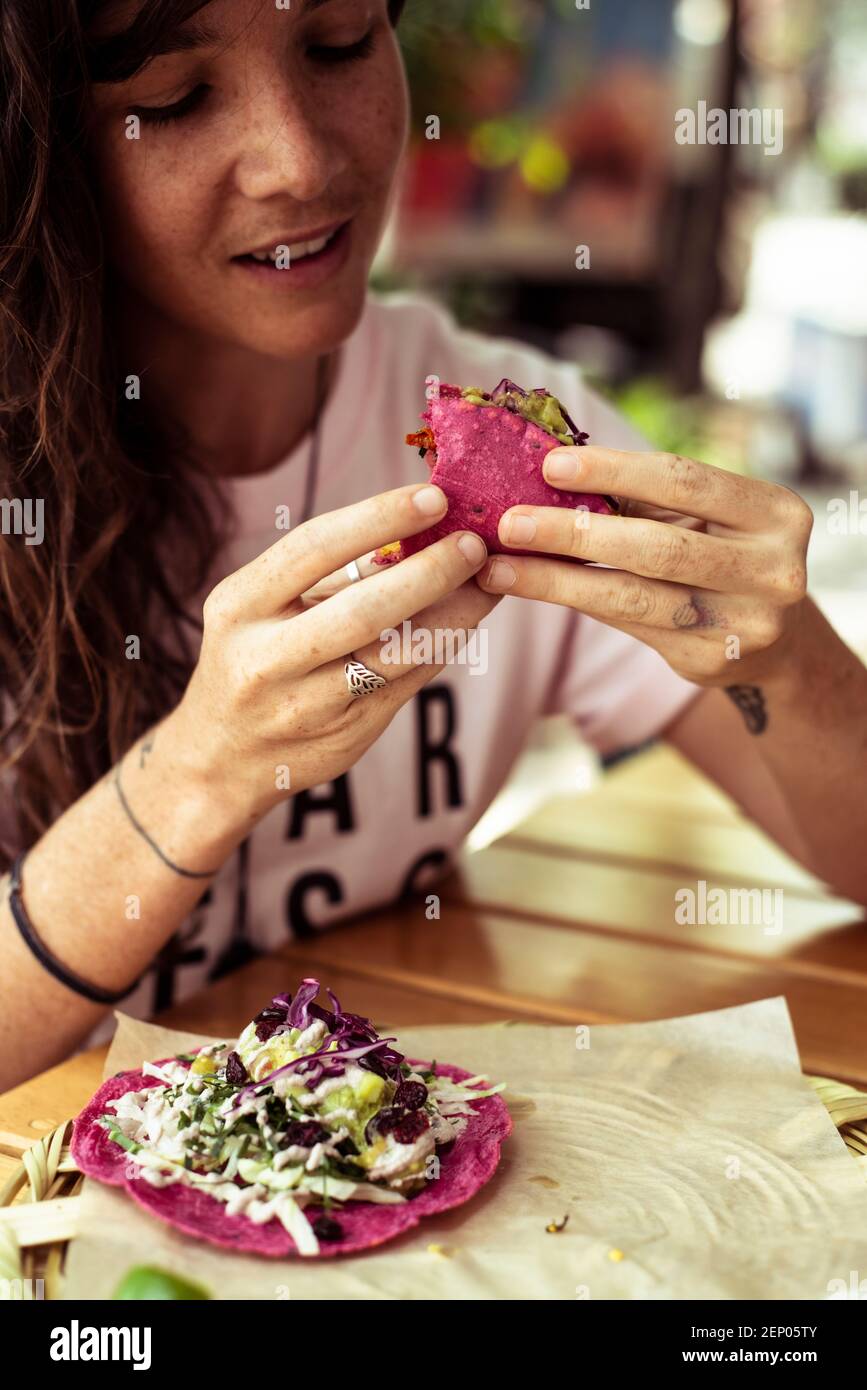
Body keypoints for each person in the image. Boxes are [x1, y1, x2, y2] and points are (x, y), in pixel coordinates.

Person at [1, 0, 864, 1092]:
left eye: (341, 42)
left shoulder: (524, 442)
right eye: (173, 100)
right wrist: (197, 776)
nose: (300, 160)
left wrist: (788, 661)